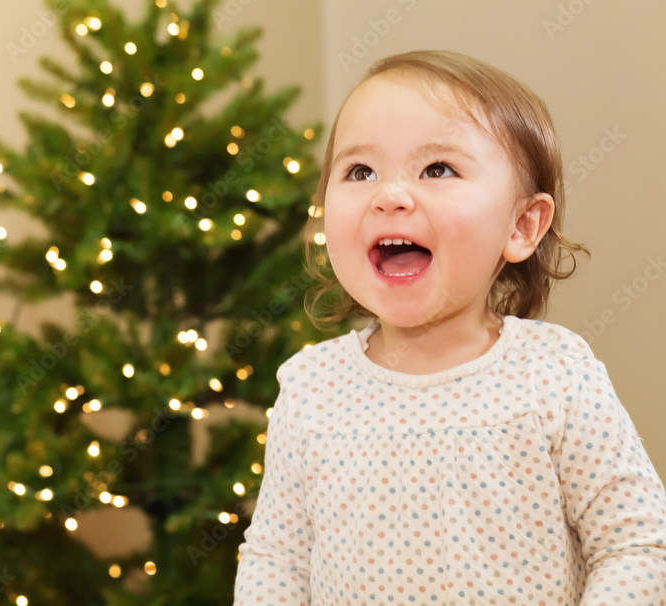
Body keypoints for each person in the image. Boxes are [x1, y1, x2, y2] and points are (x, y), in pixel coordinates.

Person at [233, 50, 666, 605]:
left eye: (438, 169)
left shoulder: (553, 373)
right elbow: (277, 560)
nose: (389, 196)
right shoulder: (311, 388)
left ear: (522, 224)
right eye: (359, 171)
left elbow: (636, 543)